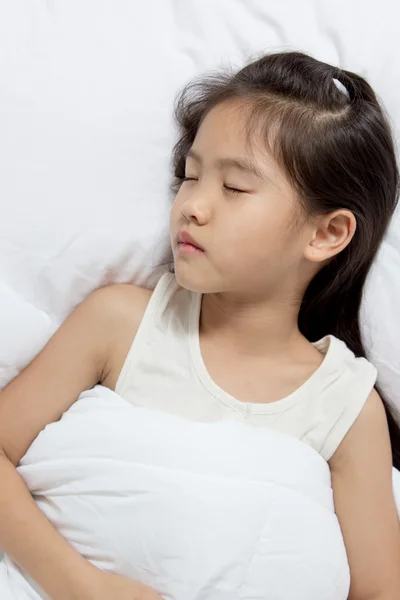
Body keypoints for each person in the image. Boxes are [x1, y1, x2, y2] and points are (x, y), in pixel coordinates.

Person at [0, 51, 400, 600]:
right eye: (189, 177)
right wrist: (81, 585)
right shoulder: (120, 322)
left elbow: (377, 591)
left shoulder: (346, 405)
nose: (192, 205)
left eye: (234, 188)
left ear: (326, 233)